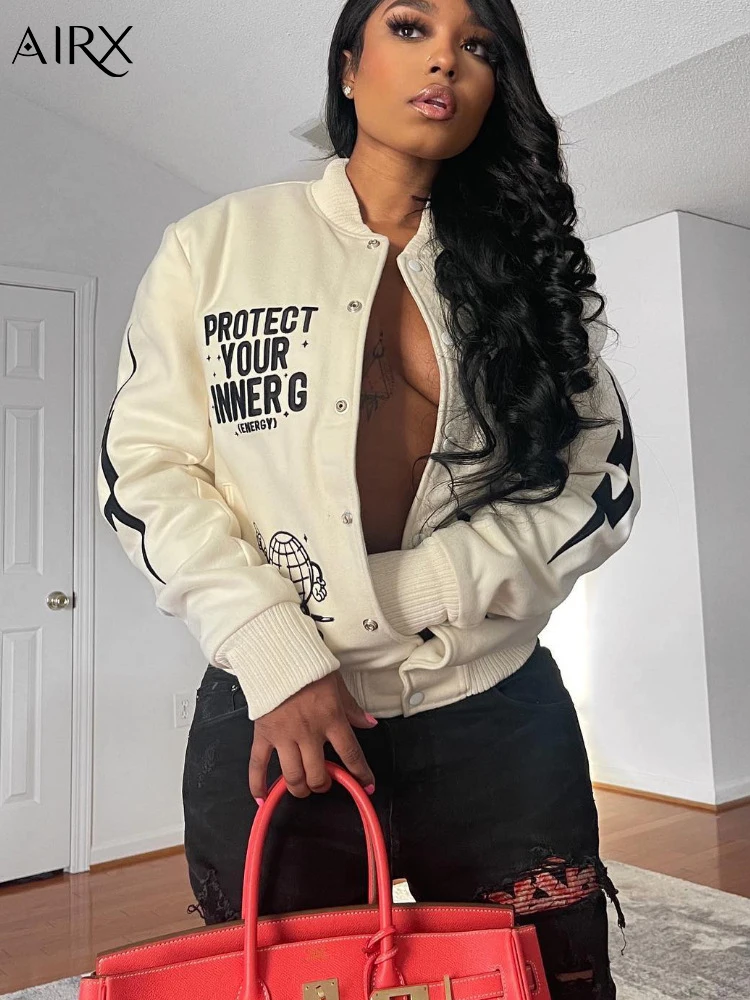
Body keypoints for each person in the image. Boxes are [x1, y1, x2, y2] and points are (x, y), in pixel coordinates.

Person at [97, 0, 641, 995]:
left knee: (544, 981)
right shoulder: (214, 246)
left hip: (492, 709)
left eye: (478, 46)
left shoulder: (526, 271)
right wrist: (275, 649)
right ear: (349, 66)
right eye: (410, 27)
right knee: (290, 981)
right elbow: (148, 469)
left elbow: (600, 479)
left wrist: (415, 591)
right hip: (277, 714)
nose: (446, 59)